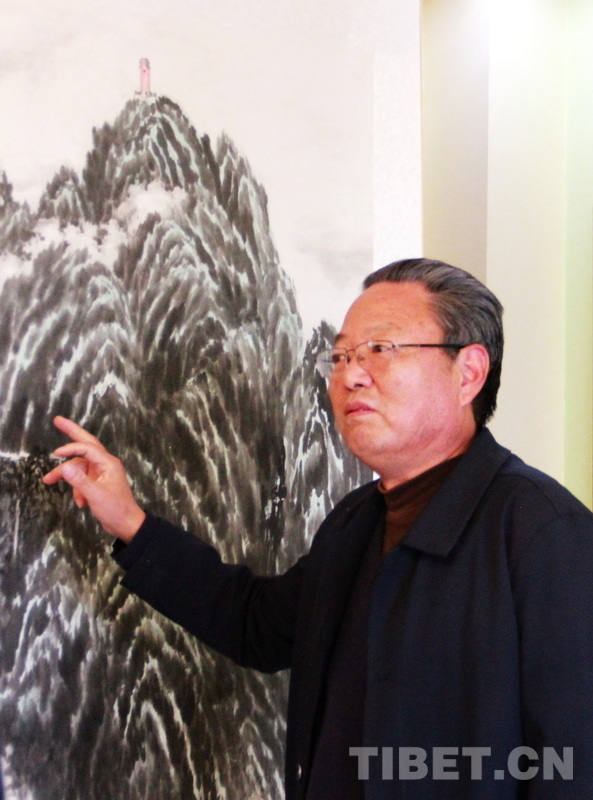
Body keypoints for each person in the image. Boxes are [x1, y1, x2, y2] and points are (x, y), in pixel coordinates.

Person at [43, 258, 593, 799]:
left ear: (468, 372)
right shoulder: (354, 523)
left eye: (382, 349)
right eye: (341, 356)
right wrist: (131, 522)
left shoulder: (542, 532)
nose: (351, 375)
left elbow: (572, 763)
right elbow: (257, 625)